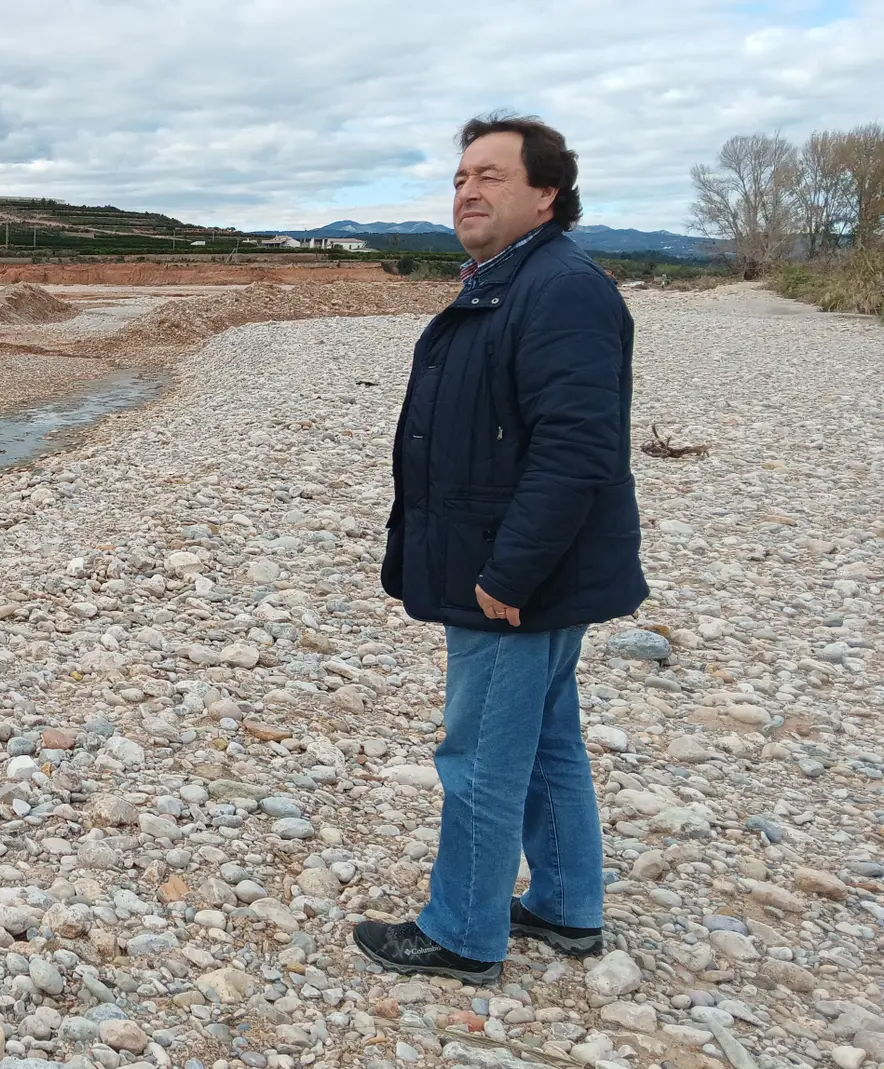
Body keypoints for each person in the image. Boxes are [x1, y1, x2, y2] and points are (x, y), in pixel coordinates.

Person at [355, 113, 648, 984]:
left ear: (546, 193)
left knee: (480, 752)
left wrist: (509, 570)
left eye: (490, 175)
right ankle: (565, 904)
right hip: (519, 565)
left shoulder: (558, 286)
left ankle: (462, 932)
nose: (468, 190)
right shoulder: (511, 277)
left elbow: (576, 446)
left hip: (512, 575)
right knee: (547, 740)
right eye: (459, 178)